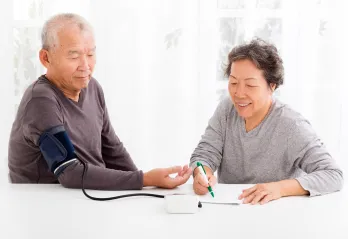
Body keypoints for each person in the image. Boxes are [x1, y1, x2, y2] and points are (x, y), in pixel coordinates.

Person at [8, 13, 192, 190]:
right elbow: (69, 172)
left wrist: (147, 186)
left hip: (90, 197)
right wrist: (143, 179)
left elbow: (112, 150)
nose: (85, 66)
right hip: (48, 206)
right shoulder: (41, 100)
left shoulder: (92, 87)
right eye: (74, 56)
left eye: (90, 55)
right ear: (46, 58)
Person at [190, 39, 344, 204]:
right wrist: (201, 173)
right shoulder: (226, 109)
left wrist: (279, 188)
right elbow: (204, 153)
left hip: (276, 215)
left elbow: (333, 175)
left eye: (250, 85)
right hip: (229, 210)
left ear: (272, 86)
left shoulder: (292, 125)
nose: (239, 93)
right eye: (233, 82)